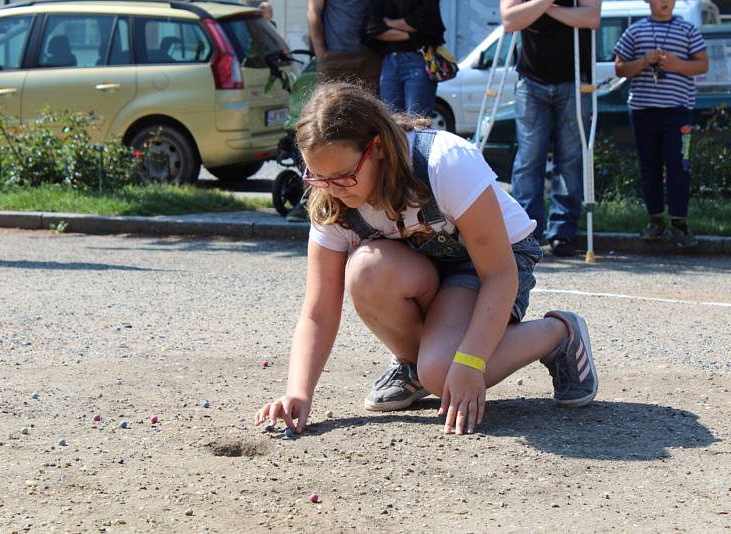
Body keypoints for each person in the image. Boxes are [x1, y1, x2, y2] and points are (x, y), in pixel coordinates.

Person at [253, 83, 598, 436]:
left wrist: (470, 362)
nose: (332, 189)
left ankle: (559, 333)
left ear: (379, 148)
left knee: (444, 371)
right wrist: (298, 391)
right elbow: (318, 311)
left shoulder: (444, 162)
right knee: (366, 272)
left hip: (490, 264)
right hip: (425, 266)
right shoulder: (330, 197)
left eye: (343, 177)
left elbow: (498, 274)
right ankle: (415, 364)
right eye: (318, 177)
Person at [500, 0, 601, 257]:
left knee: (570, 158)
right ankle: (525, 232)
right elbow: (510, 19)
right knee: (529, 158)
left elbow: (591, 17)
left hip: (575, 79)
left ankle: (562, 232)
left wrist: (541, 9)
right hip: (531, 80)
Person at [614, 0, 708, 249]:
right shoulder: (635, 30)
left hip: (679, 112)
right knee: (649, 167)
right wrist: (643, 62)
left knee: (680, 166)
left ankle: (680, 222)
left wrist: (678, 65)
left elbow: (702, 64)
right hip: (644, 111)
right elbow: (619, 67)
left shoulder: (688, 30)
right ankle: (655, 220)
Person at [287, 0, 382, 224]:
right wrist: (322, 54)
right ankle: (313, 203)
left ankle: (370, 205)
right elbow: (314, 11)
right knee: (322, 132)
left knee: (365, 132)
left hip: (371, 56)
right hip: (336, 56)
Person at [365, 0, 446, 117]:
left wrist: (389, 23)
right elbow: (373, 28)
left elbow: (425, 21)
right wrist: (415, 35)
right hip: (389, 62)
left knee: (418, 123)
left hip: (418, 59)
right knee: (392, 122)